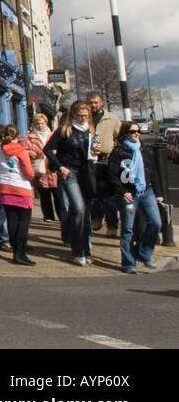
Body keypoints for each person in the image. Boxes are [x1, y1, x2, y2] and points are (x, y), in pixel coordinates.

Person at [106, 120, 164, 274]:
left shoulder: (143, 150)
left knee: (156, 223)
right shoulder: (118, 151)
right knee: (128, 229)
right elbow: (112, 176)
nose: (137, 133)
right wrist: (122, 192)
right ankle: (129, 263)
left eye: (138, 131)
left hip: (146, 192)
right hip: (129, 196)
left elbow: (152, 172)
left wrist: (158, 193)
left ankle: (143, 252)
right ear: (125, 133)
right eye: (133, 131)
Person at [44, 100, 96, 265]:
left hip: (86, 174)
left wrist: (97, 152)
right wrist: (60, 167)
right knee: (78, 209)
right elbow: (47, 149)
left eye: (86, 116)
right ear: (73, 115)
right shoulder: (64, 131)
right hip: (70, 174)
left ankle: (86, 250)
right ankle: (78, 250)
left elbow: (92, 154)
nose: (83, 119)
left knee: (86, 213)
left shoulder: (90, 131)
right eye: (80, 116)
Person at [0, 124, 36, 266]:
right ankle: (20, 253)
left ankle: (14, 252)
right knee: (23, 223)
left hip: (4, 188)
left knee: (12, 220)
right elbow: (29, 173)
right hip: (21, 188)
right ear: (17, 136)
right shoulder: (21, 151)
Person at [88, 91, 122, 236]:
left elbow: (120, 137)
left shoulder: (111, 119)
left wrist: (114, 152)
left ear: (101, 103)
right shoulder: (85, 119)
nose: (93, 105)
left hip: (107, 160)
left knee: (109, 194)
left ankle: (112, 226)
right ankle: (96, 217)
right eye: (90, 102)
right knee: (93, 192)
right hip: (90, 160)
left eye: (95, 102)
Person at [28, 105, 60, 221]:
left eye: (42, 123)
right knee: (44, 193)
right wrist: (29, 152)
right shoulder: (30, 137)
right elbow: (24, 150)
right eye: (37, 124)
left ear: (46, 123)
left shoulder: (54, 136)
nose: (40, 126)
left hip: (53, 167)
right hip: (40, 169)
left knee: (57, 193)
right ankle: (48, 216)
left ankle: (61, 215)